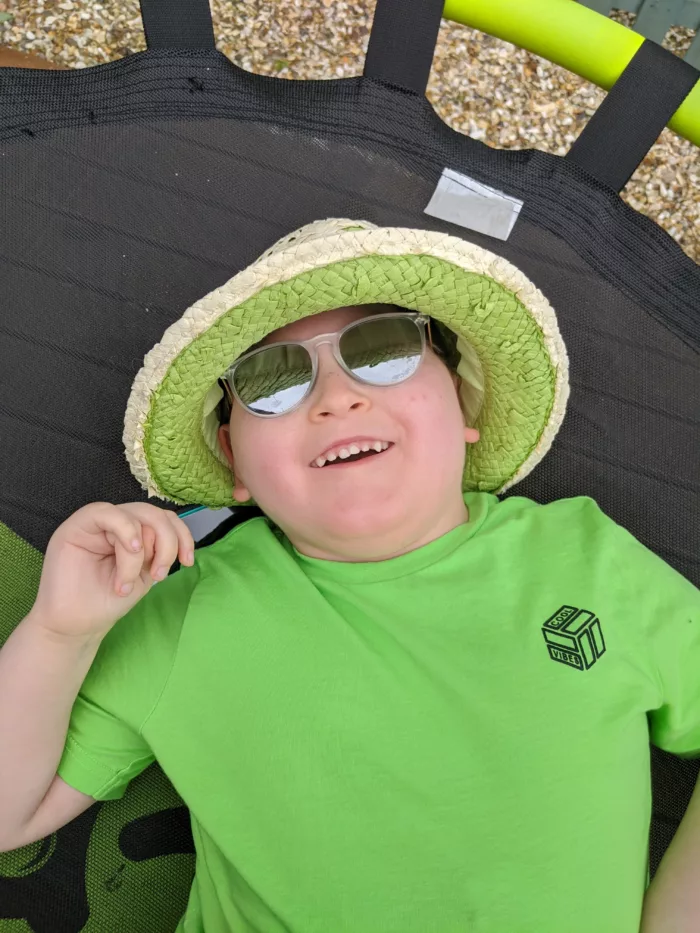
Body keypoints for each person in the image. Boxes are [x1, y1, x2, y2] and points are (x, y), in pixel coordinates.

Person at [0, 218, 698, 933]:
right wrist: (58, 632)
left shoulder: (584, 558)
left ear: (462, 402)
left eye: (386, 347)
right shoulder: (186, 609)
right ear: (232, 462)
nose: (337, 396)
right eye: (270, 378)